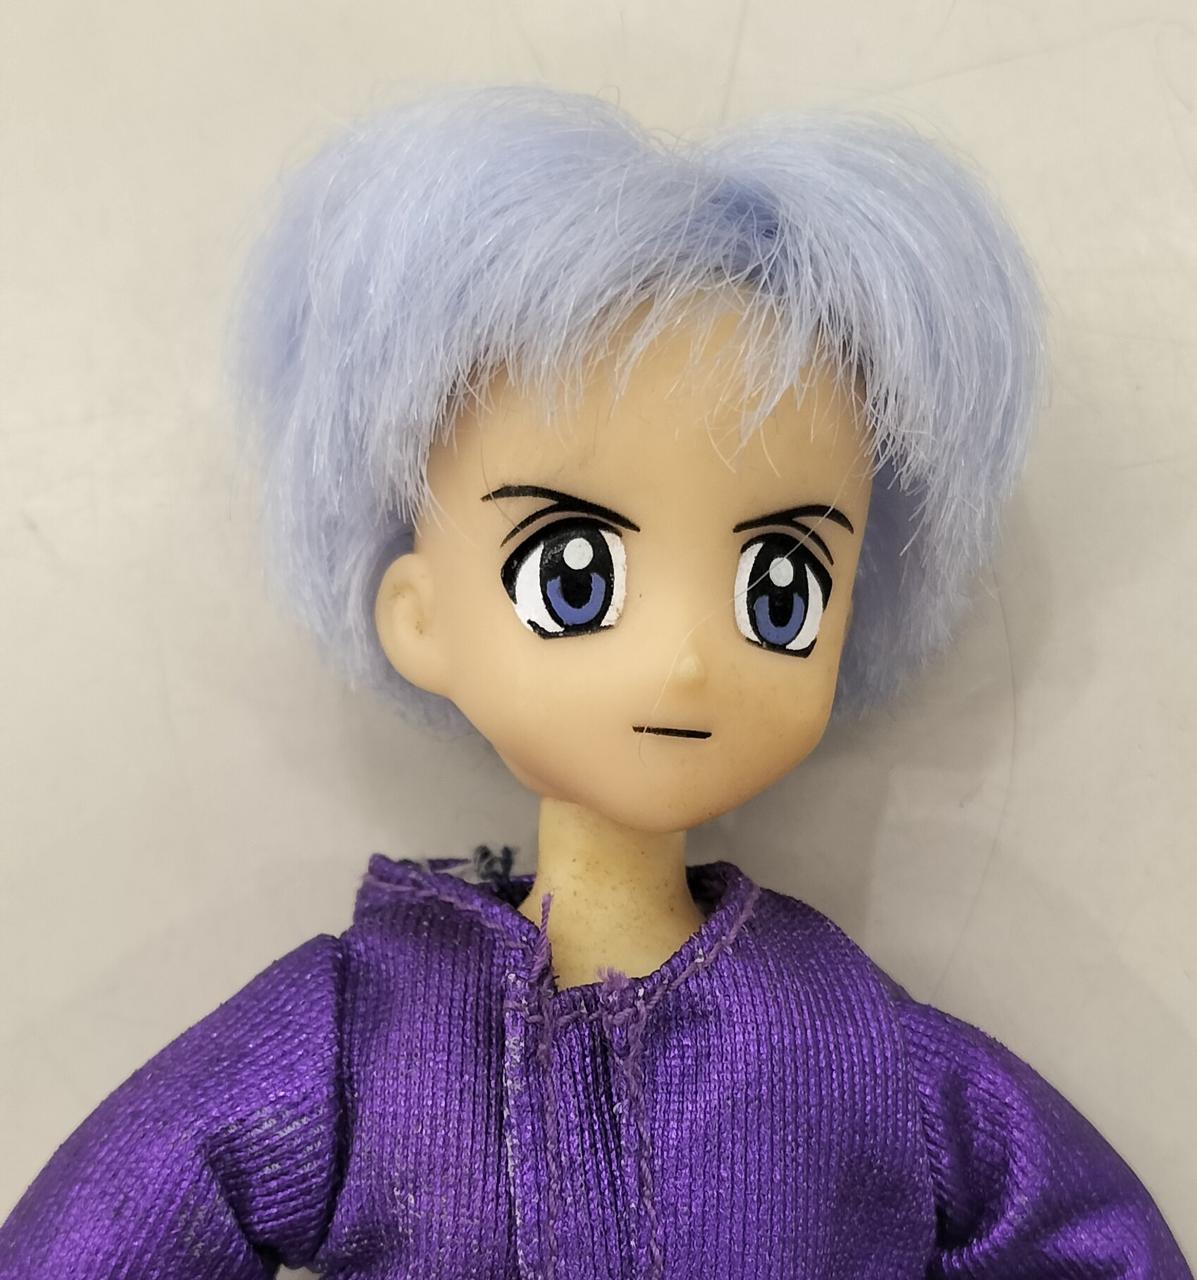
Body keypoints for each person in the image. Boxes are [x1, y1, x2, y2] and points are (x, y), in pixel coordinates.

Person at [1, 87, 1189, 1278]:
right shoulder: (370, 1032)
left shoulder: (843, 1036)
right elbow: (108, 1223)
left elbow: (1091, 1239)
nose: (687, 656)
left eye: (778, 587)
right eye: (575, 574)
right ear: (420, 616)